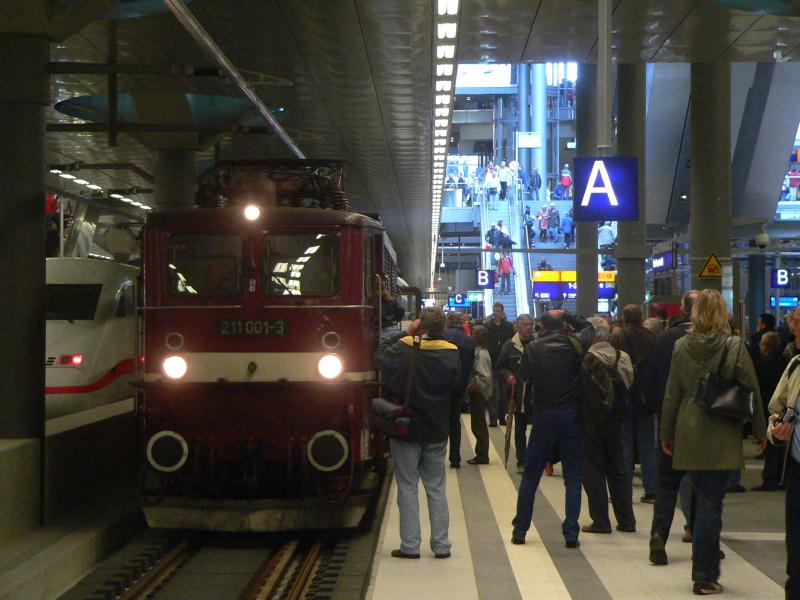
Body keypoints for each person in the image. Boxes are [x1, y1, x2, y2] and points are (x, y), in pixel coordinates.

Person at [660, 289, 766, 595]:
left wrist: (667, 433)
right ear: (723, 312)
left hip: (689, 428)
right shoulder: (734, 346)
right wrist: (760, 431)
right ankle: (704, 575)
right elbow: (752, 390)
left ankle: (704, 570)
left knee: (700, 499)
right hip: (721, 428)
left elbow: (672, 393)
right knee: (711, 504)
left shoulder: (681, 346)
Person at [379, 307, 461, 559]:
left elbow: (380, 356)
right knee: (436, 488)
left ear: (420, 325)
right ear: (443, 327)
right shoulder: (452, 352)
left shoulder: (404, 348)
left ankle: (410, 545)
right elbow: (456, 388)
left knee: (407, 487)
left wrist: (407, 332)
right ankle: (441, 545)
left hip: (407, 427)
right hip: (436, 427)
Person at [511, 310, 595, 548]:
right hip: (572, 416)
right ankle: (571, 533)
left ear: (543, 327)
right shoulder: (575, 344)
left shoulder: (533, 349)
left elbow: (523, 376)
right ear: (564, 325)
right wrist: (567, 313)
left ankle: (520, 530)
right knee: (573, 477)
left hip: (544, 417)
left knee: (531, 475)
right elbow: (590, 327)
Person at [647, 290, 699, 565]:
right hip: (704, 424)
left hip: (672, 419)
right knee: (702, 484)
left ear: (681, 308)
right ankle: (703, 540)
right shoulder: (715, 339)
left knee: (667, 483)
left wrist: (661, 415)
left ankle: (658, 534)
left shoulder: (666, 338)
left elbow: (655, 380)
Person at [580, 317, 636, 535]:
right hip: (617, 420)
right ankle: (627, 520)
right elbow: (630, 384)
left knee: (593, 472)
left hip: (592, 421)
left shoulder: (585, 359)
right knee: (618, 470)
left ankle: (601, 521)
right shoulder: (623, 357)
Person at [610, 305, 658, 503]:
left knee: (624, 444)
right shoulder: (651, 337)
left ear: (623, 318)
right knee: (648, 445)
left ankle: (624, 491)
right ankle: (651, 488)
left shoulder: (618, 337)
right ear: (641, 317)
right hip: (646, 396)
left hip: (625, 395)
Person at [766, 346, 800, 598]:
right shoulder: (796, 365)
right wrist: (776, 430)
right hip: (797, 470)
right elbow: (775, 410)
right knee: (796, 555)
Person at [496, 314, 537, 472]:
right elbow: (499, 368)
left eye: (530, 324)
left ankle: (536, 458)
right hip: (519, 395)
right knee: (520, 429)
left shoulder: (538, 344)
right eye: (525, 324)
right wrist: (508, 375)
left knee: (538, 429)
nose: (529, 327)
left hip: (536, 394)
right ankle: (522, 460)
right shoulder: (510, 346)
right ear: (517, 327)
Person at [753, 331, 787, 491]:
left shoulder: (761, 363)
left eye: (761, 343)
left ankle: (769, 479)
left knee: (771, 442)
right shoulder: (784, 361)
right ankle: (781, 477)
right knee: (781, 442)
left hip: (767, 404)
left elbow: (758, 386)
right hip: (783, 406)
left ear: (766, 347)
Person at [443, 312, 475, 469]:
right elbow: (469, 366)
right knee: (455, 421)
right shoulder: (468, 340)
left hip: (441, 386)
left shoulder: (442, 336)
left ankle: (437, 455)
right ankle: (455, 458)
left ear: (449, 321)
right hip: (459, 386)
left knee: (440, 420)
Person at [487, 302, 515, 427]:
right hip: (492, 362)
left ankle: (502, 416)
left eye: (498, 310)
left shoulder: (508, 326)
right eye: (494, 310)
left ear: (502, 311)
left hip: (504, 363)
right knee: (493, 392)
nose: (496, 313)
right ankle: (493, 418)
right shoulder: (488, 326)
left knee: (503, 393)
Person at [467, 326, 492, 465]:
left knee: (478, 424)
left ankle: (482, 454)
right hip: (478, 391)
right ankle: (481, 453)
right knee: (477, 423)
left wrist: (473, 385)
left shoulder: (481, 354)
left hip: (479, 392)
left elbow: (484, 376)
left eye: (473, 334)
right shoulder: (478, 351)